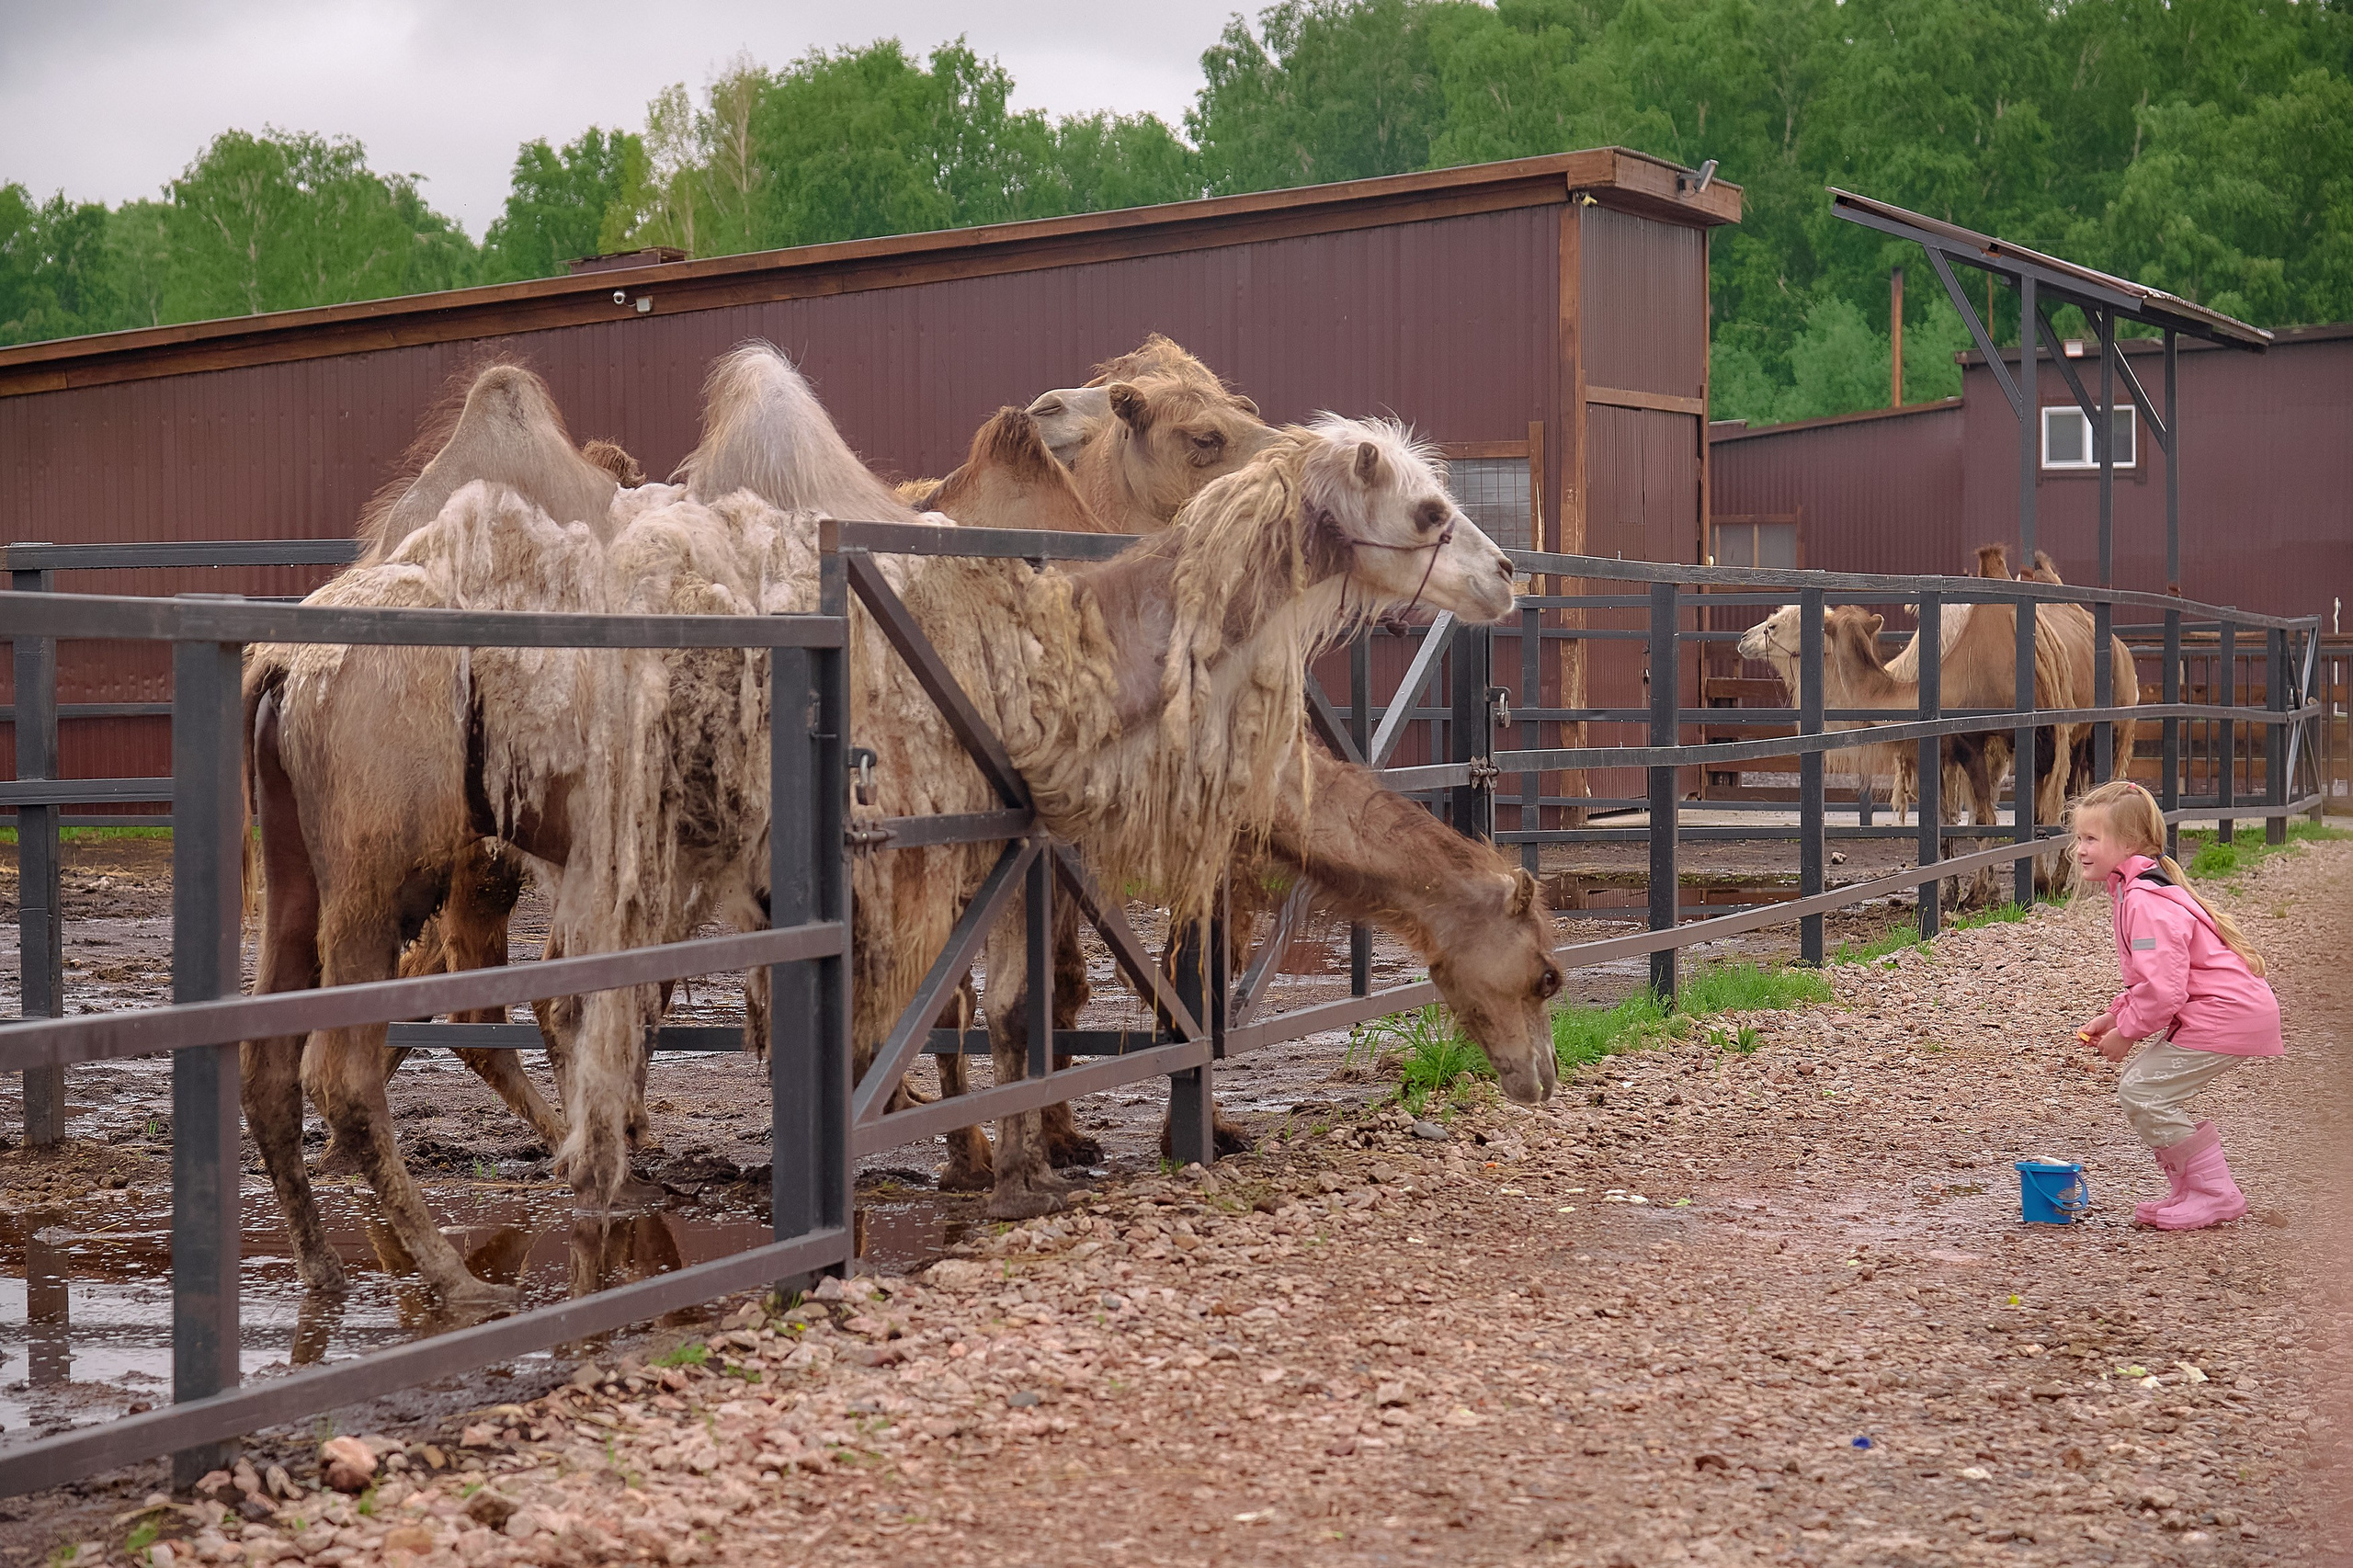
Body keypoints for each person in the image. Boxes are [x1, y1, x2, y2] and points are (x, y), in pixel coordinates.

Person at [2070, 779, 2280, 1230]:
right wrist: (2116, 1014)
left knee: (2143, 1090)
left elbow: (2165, 991)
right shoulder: (2135, 888)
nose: (2080, 849)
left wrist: (2127, 1033)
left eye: (2090, 838)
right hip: (2224, 1012)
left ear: (2127, 843)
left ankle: (2215, 1193)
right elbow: (2158, 979)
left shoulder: (2144, 900)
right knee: (2144, 1088)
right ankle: (2190, 1189)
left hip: (2224, 1015)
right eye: (2079, 838)